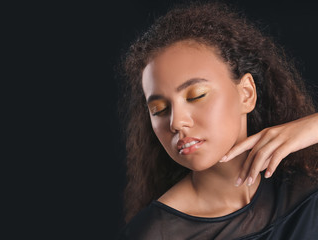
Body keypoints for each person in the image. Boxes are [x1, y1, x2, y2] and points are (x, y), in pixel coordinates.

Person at [118, 2, 318, 239]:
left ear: (246, 94)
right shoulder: (155, 233)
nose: (176, 122)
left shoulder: (308, 180)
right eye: (159, 109)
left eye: (196, 95)